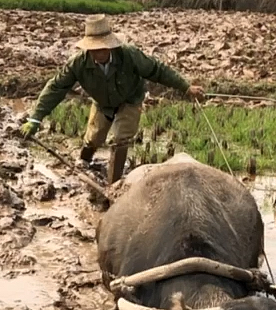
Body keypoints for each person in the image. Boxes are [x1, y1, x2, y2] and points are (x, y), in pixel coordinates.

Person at [20, 15, 204, 184]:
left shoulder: (129, 55)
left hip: (130, 99)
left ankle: (114, 183)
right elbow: (56, 87)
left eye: (100, 48)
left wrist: (186, 87)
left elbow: (158, 70)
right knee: (93, 137)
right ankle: (83, 162)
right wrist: (36, 118)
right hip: (102, 102)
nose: (97, 53)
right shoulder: (78, 63)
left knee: (121, 139)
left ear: (109, 45)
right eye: (92, 49)